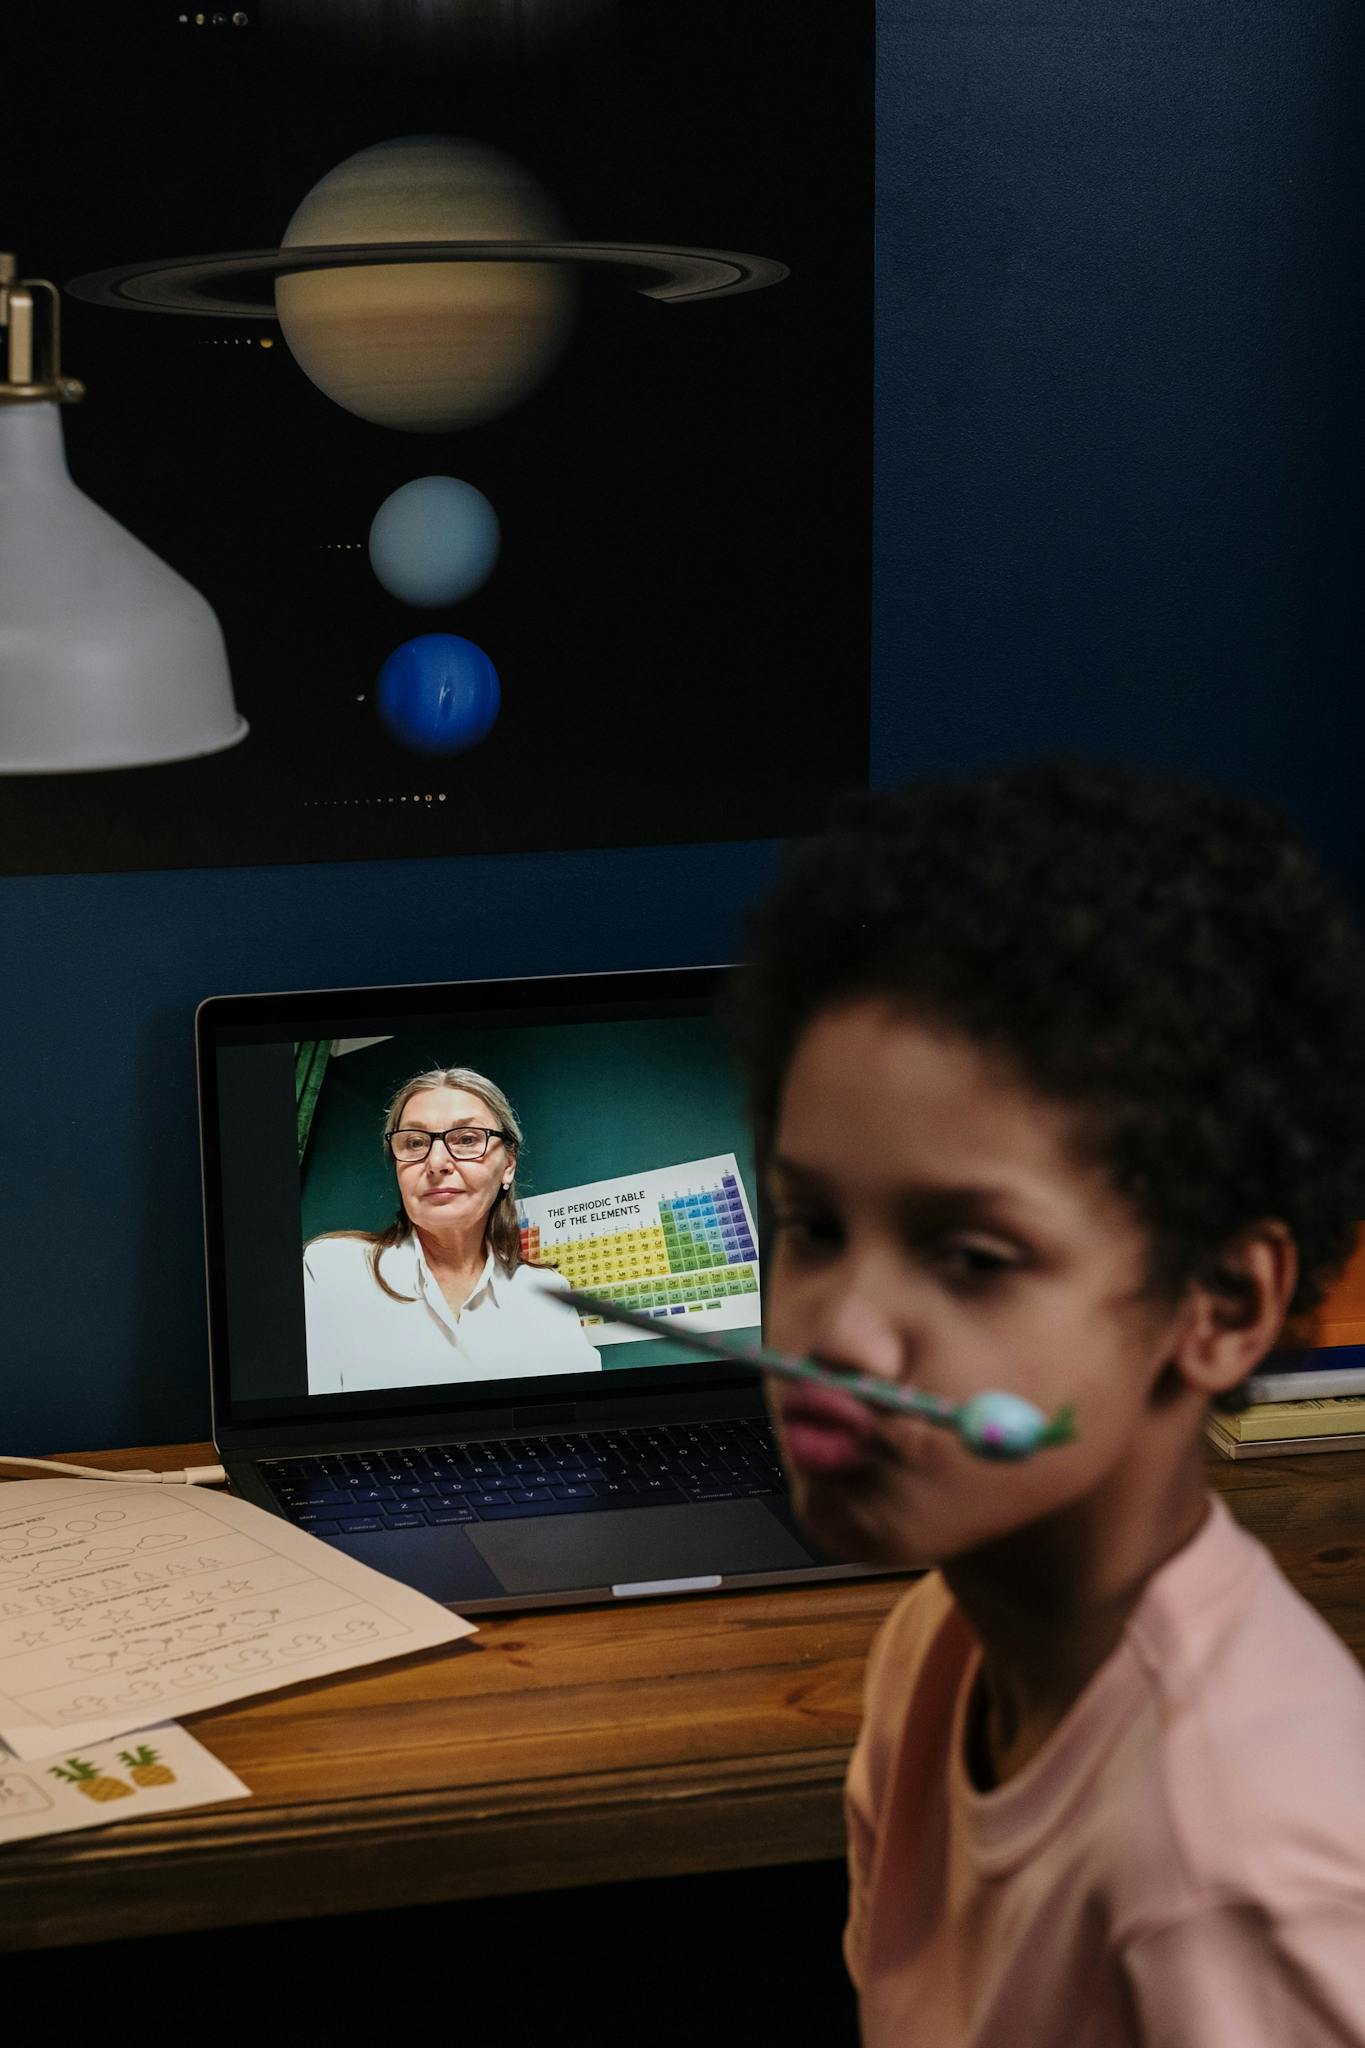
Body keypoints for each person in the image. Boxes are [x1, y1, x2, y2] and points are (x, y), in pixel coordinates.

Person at [725, 756, 1365, 2046]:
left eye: (972, 1257)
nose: (840, 1331)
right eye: (813, 1225)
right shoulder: (938, 1644)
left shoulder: (1232, 1880)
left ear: (1222, 1304)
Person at [304, 1065, 601, 1393]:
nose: (436, 1163)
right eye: (415, 1142)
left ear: (508, 1165)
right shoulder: (331, 1269)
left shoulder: (546, 1290)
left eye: (467, 1139)